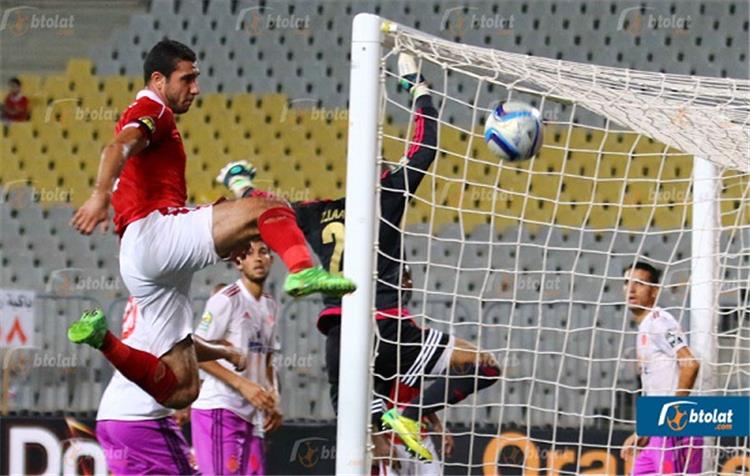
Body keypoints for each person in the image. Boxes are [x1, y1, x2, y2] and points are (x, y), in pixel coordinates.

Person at [218, 53, 499, 462]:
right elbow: (424, 148)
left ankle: (392, 423)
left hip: (340, 337)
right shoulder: (387, 195)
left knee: (367, 444)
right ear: (377, 172)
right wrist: (418, 88)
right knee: (485, 365)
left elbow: (266, 205)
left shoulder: (315, 212)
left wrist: (239, 182)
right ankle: (410, 415)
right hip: (386, 327)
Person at [67, 39, 355, 412]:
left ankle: (102, 339)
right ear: (158, 80)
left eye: (196, 78)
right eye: (187, 79)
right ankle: (302, 271)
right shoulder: (153, 108)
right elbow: (116, 148)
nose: (196, 88)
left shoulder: (153, 113)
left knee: (182, 390)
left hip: (138, 261)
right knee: (268, 207)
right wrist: (99, 195)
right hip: (154, 232)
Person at [191, 238, 282, 475]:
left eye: (263, 251)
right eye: (249, 253)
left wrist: (273, 395)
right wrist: (242, 385)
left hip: (251, 416)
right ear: (238, 262)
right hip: (220, 409)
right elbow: (194, 350)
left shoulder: (270, 305)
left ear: (271, 259)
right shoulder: (226, 299)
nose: (258, 258)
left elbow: (268, 357)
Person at [97, 297, 198, 475]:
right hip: (142, 415)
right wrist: (227, 353)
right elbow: (182, 350)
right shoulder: (162, 296)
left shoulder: (140, 294)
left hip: (111, 416)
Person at [619, 261, 702, 475]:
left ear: (654, 291)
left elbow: (690, 363)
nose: (631, 289)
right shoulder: (645, 327)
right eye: (627, 282)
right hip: (659, 429)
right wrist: (645, 429)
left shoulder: (660, 323)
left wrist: (671, 415)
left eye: (639, 283)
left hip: (676, 426)